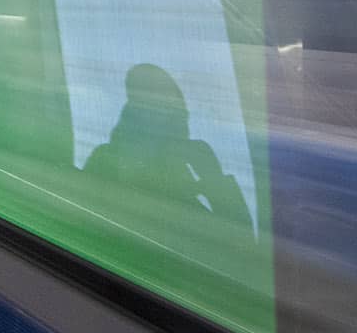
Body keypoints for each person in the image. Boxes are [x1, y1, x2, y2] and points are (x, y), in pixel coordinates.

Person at [84, 63, 253, 238]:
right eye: (146, 94)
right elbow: (88, 225)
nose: (156, 104)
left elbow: (243, 243)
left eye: (164, 96)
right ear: (132, 107)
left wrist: (212, 176)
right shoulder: (105, 159)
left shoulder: (189, 162)